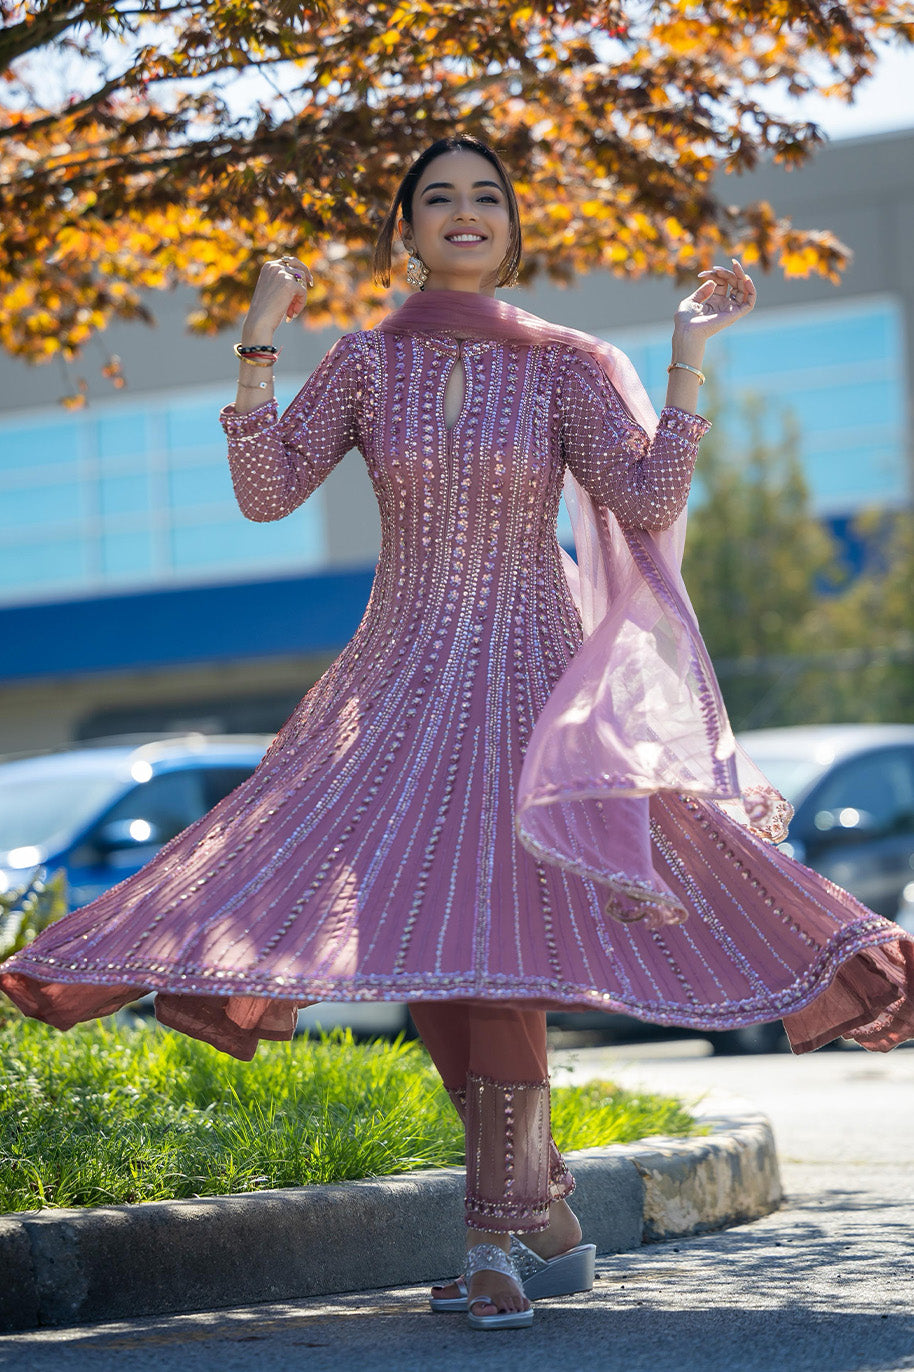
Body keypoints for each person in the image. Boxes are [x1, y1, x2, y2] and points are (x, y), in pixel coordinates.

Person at [2, 135, 913, 1332]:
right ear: (407, 231)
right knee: (429, 936)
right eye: (438, 196)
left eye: (487, 195)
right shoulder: (365, 362)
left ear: (512, 225)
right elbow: (267, 491)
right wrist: (258, 339)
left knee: (495, 943)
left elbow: (639, 502)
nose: (465, 211)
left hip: (532, 681)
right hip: (394, 677)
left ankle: (494, 1239)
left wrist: (684, 357)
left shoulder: (564, 365)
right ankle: (539, 1214)